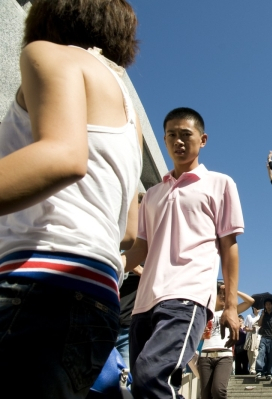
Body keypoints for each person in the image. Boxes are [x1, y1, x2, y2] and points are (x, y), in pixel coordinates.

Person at [0, 0, 141, 397]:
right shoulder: (128, 118)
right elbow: (128, 232)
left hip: (35, 280)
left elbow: (62, 155)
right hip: (96, 297)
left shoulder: (47, 53)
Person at [122, 107, 245, 398]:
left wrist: (229, 305)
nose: (178, 141)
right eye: (171, 135)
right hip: (143, 303)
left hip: (187, 297)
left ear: (202, 140)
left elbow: (229, 247)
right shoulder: (152, 194)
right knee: (143, 385)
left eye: (185, 135)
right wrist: (111, 266)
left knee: (152, 375)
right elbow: (141, 247)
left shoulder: (220, 183)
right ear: (164, 140)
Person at [199, 282, 254, 399]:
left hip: (224, 355)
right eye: (220, 294)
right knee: (205, 395)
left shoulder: (231, 312)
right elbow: (197, 335)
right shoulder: (205, 313)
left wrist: (232, 290)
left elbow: (250, 301)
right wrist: (201, 335)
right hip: (205, 355)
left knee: (219, 390)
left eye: (226, 294)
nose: (224, 296)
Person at [116, 193, 146, 369]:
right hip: (107, 317)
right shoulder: (119, 239)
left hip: (130, 326)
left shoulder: (150, 249)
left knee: (125, 380)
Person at [255, 298, 272, 381]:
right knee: (261, 353)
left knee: (271, 356)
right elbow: (259, 324)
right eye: (266, 304)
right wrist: (262, 315)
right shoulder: (263, 314)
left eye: (269, 304)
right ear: (264, 306)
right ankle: (259, 371)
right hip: (264, 337)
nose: (268, 306)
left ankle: (268, 372)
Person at [244, 306, 261, 374]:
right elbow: (245, 328)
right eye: (256, 307)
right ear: (253, 308)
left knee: (255, 353)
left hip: (258, 337)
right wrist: (252, 329)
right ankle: (251, 369)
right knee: (250, 354)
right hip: (250, 337)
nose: (257, 309)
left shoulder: (260, 317)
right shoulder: (249, 316)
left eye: (258, 308)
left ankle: (253, 369)